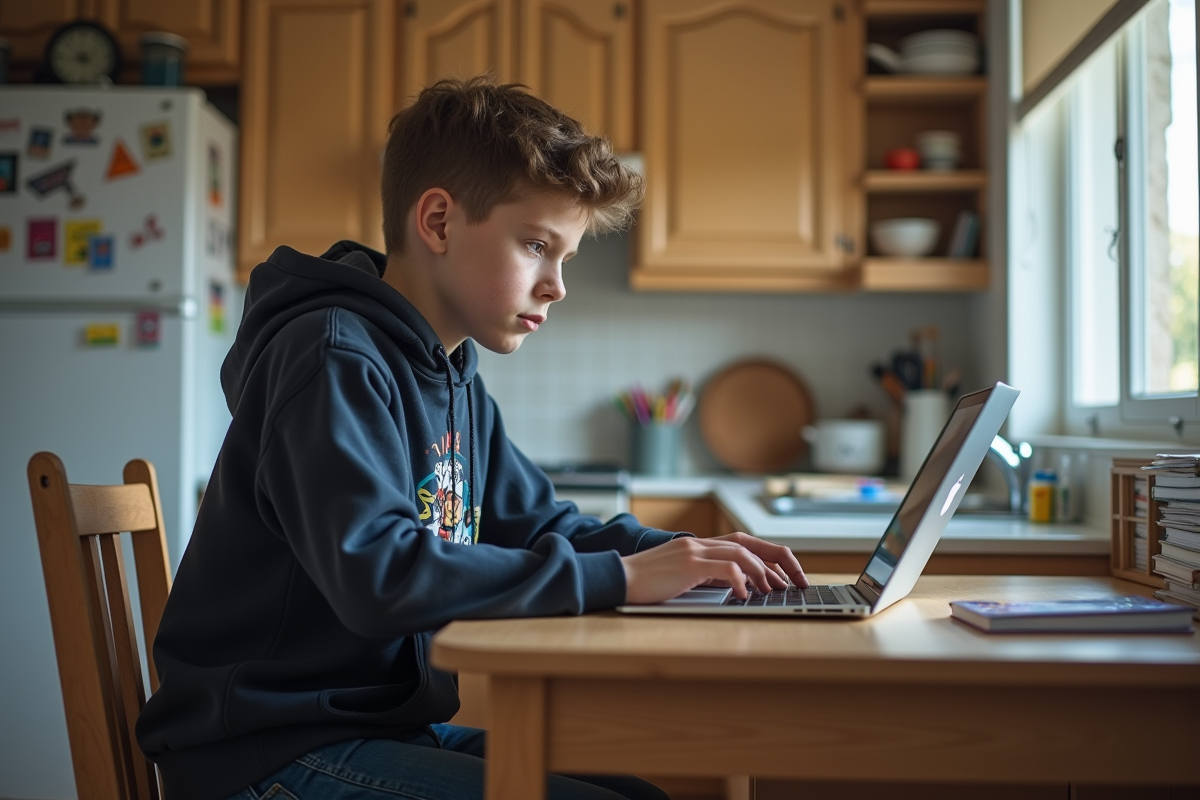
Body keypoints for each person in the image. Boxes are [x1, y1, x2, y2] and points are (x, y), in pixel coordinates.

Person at [136, 76, 808, 800]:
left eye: (566, 258)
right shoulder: (331, 355)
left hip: (371, 729)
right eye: (536, 245)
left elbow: (540, 523)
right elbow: (381, 575)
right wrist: (622, 579)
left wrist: (677, 556)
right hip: (267, 753)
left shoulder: (450, 370)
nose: (556, 285)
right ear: (439, 222)